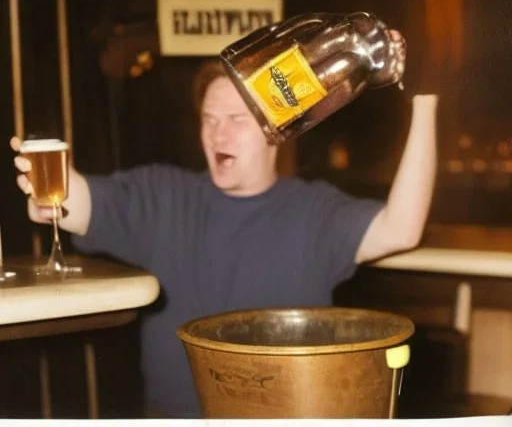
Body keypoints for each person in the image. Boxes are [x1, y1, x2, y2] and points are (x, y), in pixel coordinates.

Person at [11, 46, 438, 418]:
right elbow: (78, 204)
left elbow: (401, 228)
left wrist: (424, 102)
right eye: (209, 119)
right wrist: (52, 186)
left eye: (236, 118)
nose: (218, 133)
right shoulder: (165, 194)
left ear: (278, 131)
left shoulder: (315, 211)